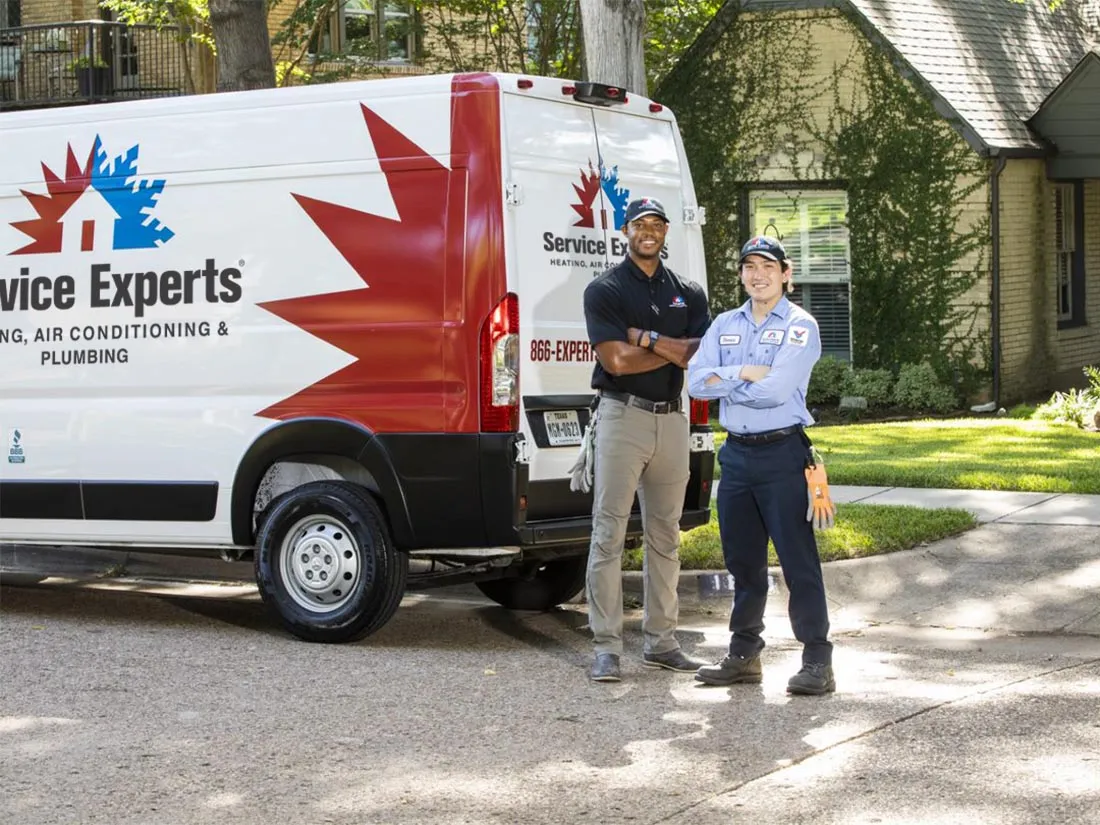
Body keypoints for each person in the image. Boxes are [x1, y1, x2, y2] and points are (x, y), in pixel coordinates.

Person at [686, 235, 835, 695]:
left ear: (785, 274)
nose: (757, 274)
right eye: (749, 266)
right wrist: (748, 372)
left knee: (797, 561)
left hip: (782, 455)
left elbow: (776, 391)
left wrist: (726, 380)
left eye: (767, 266)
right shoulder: (725, 324)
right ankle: (744, 655)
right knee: (743, 564)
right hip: (737, 455)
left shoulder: (800, 326)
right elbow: (695, 381)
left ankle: (817, 662)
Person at [581, 196, 711, 683]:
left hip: (672, 421)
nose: (649, 231)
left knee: (666, 536)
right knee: (608, 534)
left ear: (665, 232)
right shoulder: (606, 290)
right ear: (626, 231)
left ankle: (661, 641)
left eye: (657, 224)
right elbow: (615, 362)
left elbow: (700, 354)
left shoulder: (688, 292)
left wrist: (646, 339)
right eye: (640, 224)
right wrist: (673, 350)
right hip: (622, 417)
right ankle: (607, 646)